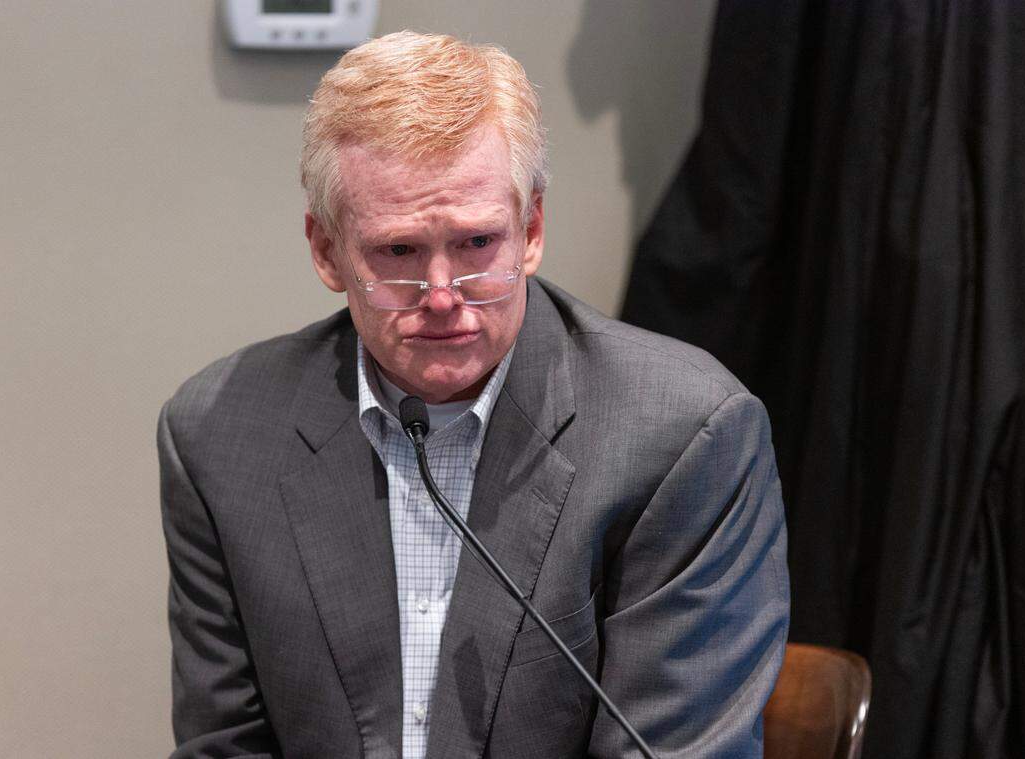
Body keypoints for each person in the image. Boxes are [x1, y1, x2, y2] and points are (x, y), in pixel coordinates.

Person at [158, 30, 789, 759]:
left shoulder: (685, 435)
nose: (440, 295)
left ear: (531, 229)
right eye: (397, 251)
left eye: (476, 245)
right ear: (327, 250)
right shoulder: (221, 435)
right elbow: (226, 745)